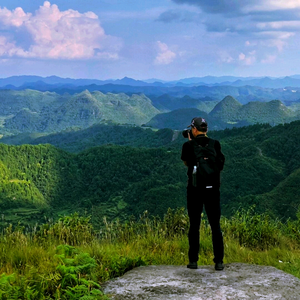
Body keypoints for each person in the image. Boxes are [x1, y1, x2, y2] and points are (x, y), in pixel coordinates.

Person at [181, 117, 225, 271]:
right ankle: (218, 261)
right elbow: (220, 165)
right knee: (215, 226)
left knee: (194, 225)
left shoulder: (188, 145)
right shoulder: (215, 144)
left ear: (194, 129)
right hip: (213, 190)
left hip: (195, 190)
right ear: (206, 130)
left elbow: (186, 162)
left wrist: (190, 143)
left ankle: (193, 261)